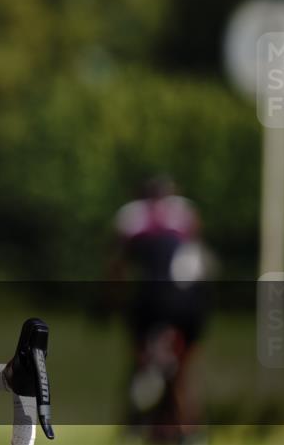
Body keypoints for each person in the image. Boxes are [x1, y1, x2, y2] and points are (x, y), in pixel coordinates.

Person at [112, 176, 211, 443]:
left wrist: (113, 303)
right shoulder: (187, 212)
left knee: (143, 359)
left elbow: (118, 269)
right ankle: (186, 427)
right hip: (190, 302)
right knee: (183, 369)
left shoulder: (131, 216)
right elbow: (200, 261)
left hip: (151, 299)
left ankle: (140, 420)